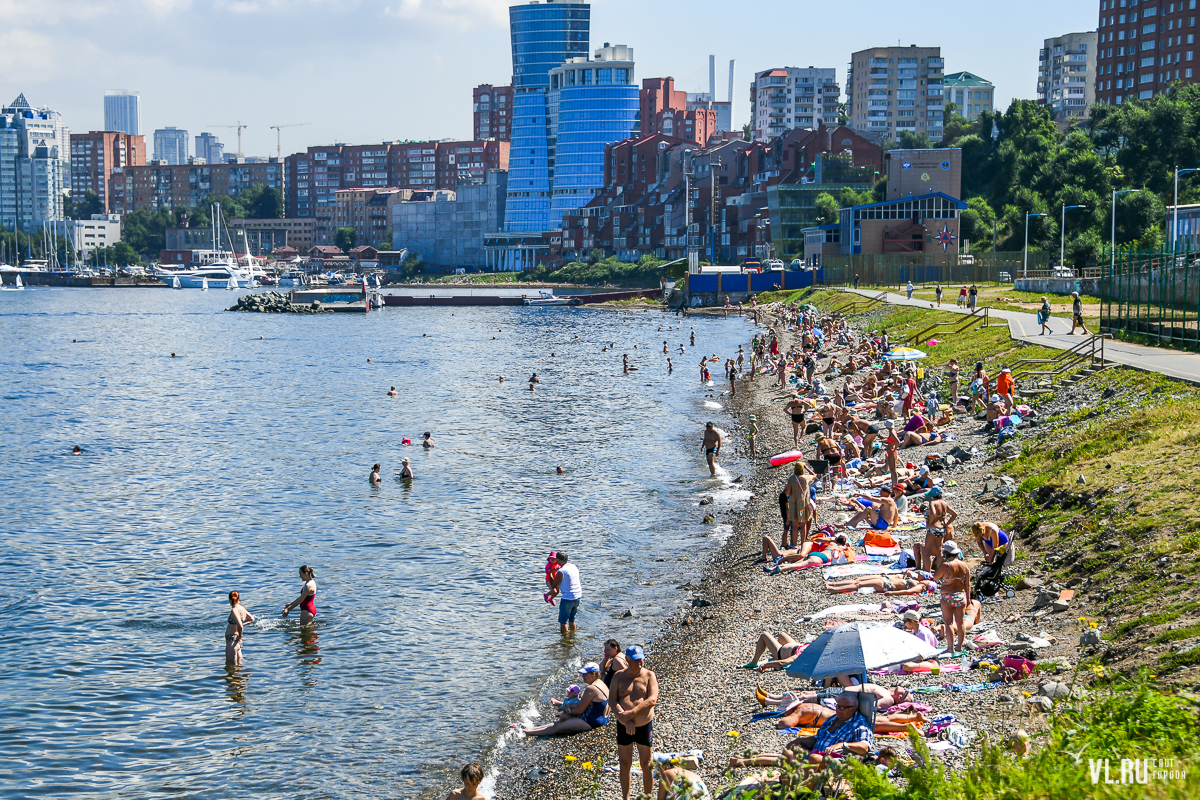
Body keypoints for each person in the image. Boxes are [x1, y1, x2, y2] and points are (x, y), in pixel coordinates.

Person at [728, 694, 873, 769]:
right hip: (816, 751)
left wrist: (843, 745)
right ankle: (744, 759)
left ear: (853, 709)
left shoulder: (859, 725)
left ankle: (741, 762)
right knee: (788, 754)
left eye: (842, 707)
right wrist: (801, 740)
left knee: (786, 759)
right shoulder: (832, 719)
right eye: (837, 706)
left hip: (832, 759)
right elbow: (818, 738)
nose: (838, 710)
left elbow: (865, 747)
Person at [612, 645, 659, 800]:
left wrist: (630, 714)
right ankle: (626, 797)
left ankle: (648, 797)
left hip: (644, 726)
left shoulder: (649, 675)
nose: (639, 662)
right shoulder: (618, 676)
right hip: (623, 726)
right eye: (635, 660)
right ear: (627, 659)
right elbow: (612, 700)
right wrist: (624, 720)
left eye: (641, 659)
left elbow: (652, 700)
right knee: (625, 764)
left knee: (646, 764)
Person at [521, 662, 611, 736]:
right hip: (602, 718)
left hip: (591, 721)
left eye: (585, 674)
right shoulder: (601, 683)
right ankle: (530, 729)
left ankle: (526, 732)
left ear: (593, 674)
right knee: (556, 723)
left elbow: (579, 710)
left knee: (557, 727)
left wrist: (567, 709)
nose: (582, 676)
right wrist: (561, 704)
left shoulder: (591, 688)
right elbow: (584, 704)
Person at [935, 541, 972, 654]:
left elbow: (936, 577)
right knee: (960, 623)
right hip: (961, 596)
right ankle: (959, 646)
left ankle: (950, 648)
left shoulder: (946, 566)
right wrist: (969, 598)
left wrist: (940, 561)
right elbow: (967, 584)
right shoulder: (964, 566)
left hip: (947, 596)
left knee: (948, 623)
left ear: (945, 553)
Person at [918, 488, 958, 572]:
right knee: (939, 551)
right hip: (942, 529)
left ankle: (927, 572)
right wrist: (947, 524)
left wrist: (929, 524)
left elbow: (933, 513)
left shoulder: (933, 503)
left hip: (933, 528)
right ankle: (940, 572)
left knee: (927, 551)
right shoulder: (944, 503)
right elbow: (954, 514)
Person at [551, 551, 582, 635]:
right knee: (572, 619)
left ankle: (565, 641)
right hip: (577, 596)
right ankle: (573, 635)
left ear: (558, 560)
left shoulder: (561, 571)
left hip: (568, 598)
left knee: (563, 621)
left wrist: (550, 574)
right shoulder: (574, 566)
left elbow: (553, 585)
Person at [784, 462, 812, 547]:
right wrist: (807, 468)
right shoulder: (806, 478)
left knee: (795, 526)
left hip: (794, 504)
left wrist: (787, 488)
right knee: (803, 525)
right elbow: (814, 475)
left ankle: (795, 545)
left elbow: (787, 493)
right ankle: (803, 544)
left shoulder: (791, 479)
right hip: (803, 504)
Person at [225, 590, 255, 664]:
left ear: (229, 599)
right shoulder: (242, 608)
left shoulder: (234, 610)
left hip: (232, 640)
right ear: (239, 599)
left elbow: (240, 625)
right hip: (238, 641)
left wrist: (240, 635)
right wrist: (242, 624)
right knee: (238, 667)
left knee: (230, 668)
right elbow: (252, 619)